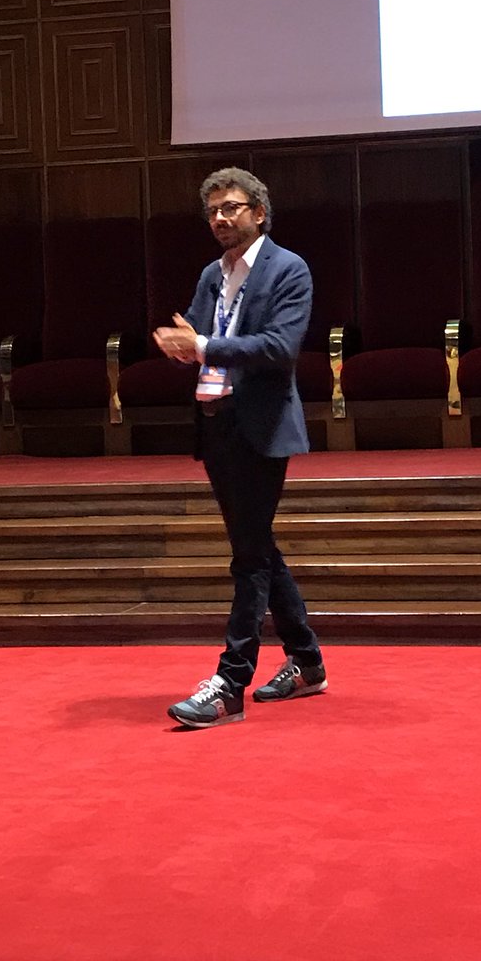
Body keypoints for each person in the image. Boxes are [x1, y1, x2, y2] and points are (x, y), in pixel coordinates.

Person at [154, 167, 327, 729]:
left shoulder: (288, 269)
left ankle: (229, 685)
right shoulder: (213, 274)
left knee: (249, 557)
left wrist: (202, 344)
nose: (220, 218)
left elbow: (279, 347)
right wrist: (182, 346)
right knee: (257, 547)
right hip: (216, 423)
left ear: (259, 212)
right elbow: (200, 334)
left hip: (261, 426)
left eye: (231, 207)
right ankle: (307, 662)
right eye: (213, 211)